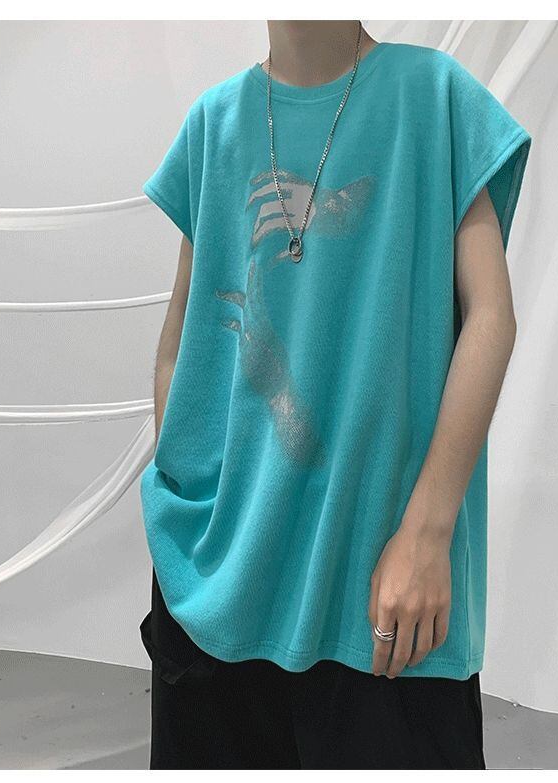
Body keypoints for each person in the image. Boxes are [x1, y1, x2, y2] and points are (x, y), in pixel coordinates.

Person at [138, 20, 531, 769]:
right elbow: (179, 344)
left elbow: (492, 318)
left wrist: (427, 535)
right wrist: (192, 509)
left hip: (380, 589)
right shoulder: (214, 123)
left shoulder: (434, 96)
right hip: (212, 587)